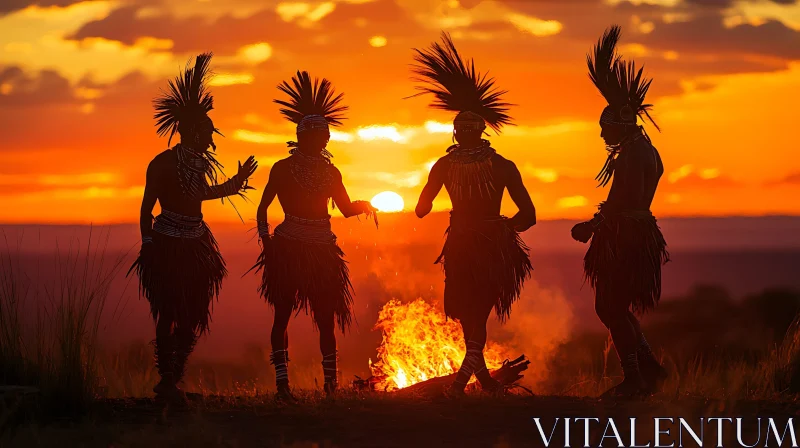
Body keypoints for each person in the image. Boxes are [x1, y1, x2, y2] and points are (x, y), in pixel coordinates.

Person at [129, 53, 257, 406]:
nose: (211, 139)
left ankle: (175, 375)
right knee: (168, 310)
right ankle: (166, 379)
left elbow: (200, 194)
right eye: (207, 132)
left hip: (196, 244)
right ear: (192, 132)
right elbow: (146, 208)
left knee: (192, 313)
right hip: (167, 244)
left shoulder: (197, 163)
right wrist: (149, 243)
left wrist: (236, 182)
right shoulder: (163, 163)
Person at [412, 33, 536, 395]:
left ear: (455, 132)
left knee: (471, 313)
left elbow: (421, 210)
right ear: (482, 131)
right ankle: (481, 382)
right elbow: (528, 215)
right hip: (489, 247)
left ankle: (461, 384)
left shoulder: (443, 165)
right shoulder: (502, 165)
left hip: (464, 245)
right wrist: (502, 230)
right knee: (474, 314)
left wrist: (440, 199)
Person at [252, 71, 377, 400]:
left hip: (322, 250)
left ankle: (331, 387)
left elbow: (346, 209)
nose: (321, 140)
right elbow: (263, 207)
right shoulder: (282, 168)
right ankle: (282, 387)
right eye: (316, 135)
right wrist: (267, 242)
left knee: (326, 318)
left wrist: (366, 205)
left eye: (324, 135)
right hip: (290, 247)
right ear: (303, 137)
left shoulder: (331, 172)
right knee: (282, 315)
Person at [572, 25, 669, 397]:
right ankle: (649, 371)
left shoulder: (631, 155)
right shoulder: (647, 151)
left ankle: (634, 380)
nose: (601, 135)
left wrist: (592, 225)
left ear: (620, 124)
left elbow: (622, 201)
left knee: (609, 307)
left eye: (605, 127)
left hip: (625, 238)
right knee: (616, 306)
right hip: (637, 235)